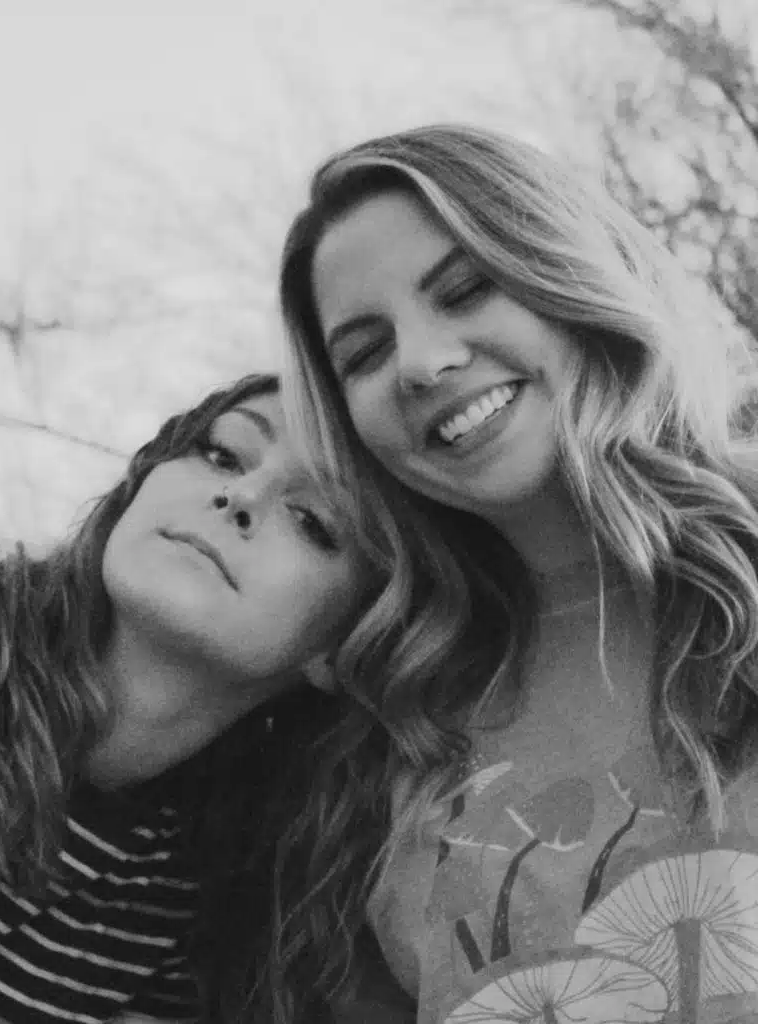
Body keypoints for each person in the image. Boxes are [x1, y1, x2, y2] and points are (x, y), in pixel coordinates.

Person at [270, 123, 758, 1023]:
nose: (422, 364)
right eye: (365, 354)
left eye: (466, 290)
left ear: (570, 274)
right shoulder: (384, 725)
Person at [0, 371, 407, 1024]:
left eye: (311, 519)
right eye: (222, 454)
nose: (240, 495)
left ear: (341, 648)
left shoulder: (207, 892)